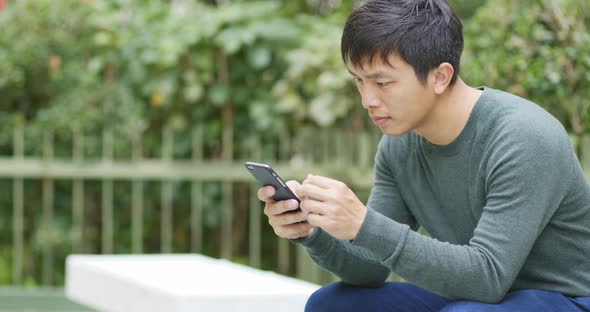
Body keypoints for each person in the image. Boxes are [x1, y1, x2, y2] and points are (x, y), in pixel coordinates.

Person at [257, 0, 590, 311]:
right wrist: (310, 232)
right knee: (332, 304)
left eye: (382, 83)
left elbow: (488, 277)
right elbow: (369, 270)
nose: (367, 99)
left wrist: (364, 224)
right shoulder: (399, 146)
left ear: (440, 76)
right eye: (359, 81)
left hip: (567, 298)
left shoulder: (522, 137)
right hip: (474, 298)